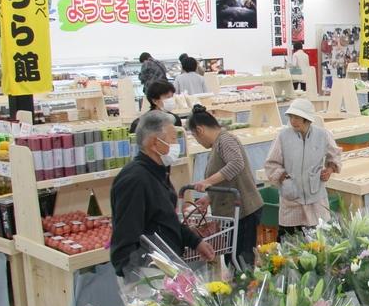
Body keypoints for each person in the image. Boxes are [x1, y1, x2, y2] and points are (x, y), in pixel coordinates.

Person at [110, 110, 215, 277]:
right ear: (154, 143)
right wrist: (138, 275)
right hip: (148, 271)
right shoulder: (135, 180)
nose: (176, 145)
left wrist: (195, 242)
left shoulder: (157, 173)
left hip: (165, 263)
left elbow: (167, 219)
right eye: (173, 139)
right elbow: (126, 234)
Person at [187, 105, 263, 268]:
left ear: (200, 130)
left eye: (195, 137)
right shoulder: (217, 145)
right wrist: (210, 196)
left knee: (241, 260)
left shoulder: (225, 140)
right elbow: (226, 176)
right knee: (233, 258)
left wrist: (208, 183)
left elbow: (236, 164)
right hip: (233, 210)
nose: (198, 142)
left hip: (243, 210)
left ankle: (245, 289)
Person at [263, 98, 342, 240]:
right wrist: (283, 177)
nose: (293, 121)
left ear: (307, 119)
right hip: (291, 201)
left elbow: (335, 155)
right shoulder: (283, 137)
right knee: (289, 245)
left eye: (297, 117)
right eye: (291, 117)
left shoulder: (323, 135)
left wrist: (329, 170)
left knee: (318, 244)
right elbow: (271, 163)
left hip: (316, 200)